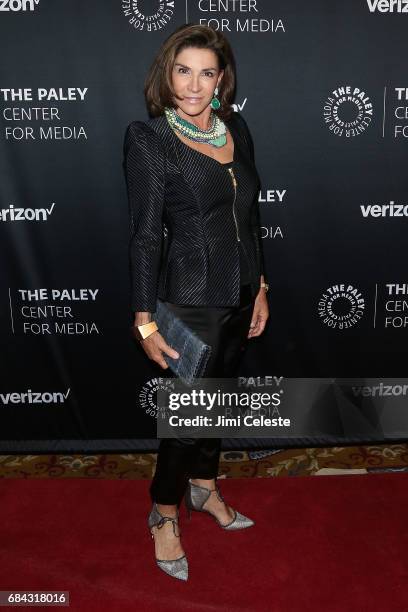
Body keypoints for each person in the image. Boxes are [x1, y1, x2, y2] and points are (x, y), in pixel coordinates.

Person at [123, 23, 269, 582]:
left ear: (222, 80)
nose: (193, 84)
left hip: (239, 296)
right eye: (183, 70)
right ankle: (162, 513)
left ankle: (204, 490)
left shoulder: (238, 128)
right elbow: (144, 235)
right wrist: (143, 320)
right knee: (184, 422)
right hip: (187, 302)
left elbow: (252, 218)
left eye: (207, 73)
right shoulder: (149, 139)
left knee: (220, 405)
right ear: (167, 74)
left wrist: (261, 287)